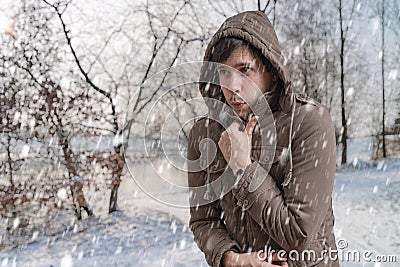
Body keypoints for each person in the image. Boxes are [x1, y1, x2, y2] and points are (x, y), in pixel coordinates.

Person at [187, 11, 339, 267]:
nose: (233, 87)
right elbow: (203, 221)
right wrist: (232, 259)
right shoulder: (204, 133)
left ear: (270, 68)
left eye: (244, 70)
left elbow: (299, 235)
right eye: (224, 74)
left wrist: (243, 169)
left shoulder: (308, 122)